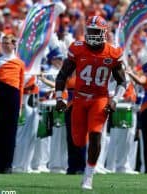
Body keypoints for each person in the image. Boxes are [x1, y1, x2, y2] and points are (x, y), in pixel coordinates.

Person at [55, 15, 126, 189]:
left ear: (104, 33)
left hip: (99, 98)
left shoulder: (112, 52)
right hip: (79, 98)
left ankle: (88, 176)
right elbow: (63, 74)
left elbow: (122, 81)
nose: (92, 35)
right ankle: (85, 164)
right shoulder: (78, 49)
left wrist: (115, 100)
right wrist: (59, 97)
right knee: (78, 141)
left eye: (96, 31)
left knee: (95, 134)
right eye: (90, 31)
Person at [0, 34, 25, 174]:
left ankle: (8, 165)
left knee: (10, 132)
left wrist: (20, 105)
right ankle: (0, 165)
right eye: (3, 42)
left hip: (13, 96)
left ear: (13, 45)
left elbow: (21, 85)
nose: (4, 45)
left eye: (7, 43)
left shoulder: (19, 63)